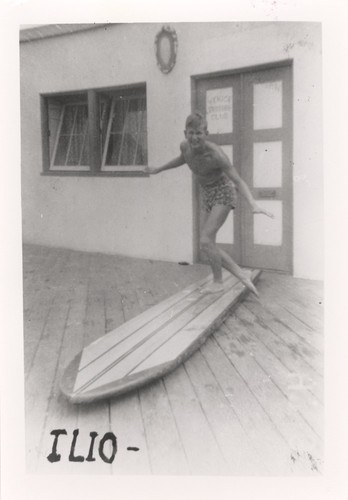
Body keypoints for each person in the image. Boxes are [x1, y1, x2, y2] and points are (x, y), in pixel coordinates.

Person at [145, 111, 273, 296]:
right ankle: (234, 276)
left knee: (205, 240)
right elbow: (182, 160)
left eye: (199, 133)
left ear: (206, 134)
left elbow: (237, 181)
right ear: (185, 133)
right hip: (207, 193)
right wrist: (158, 169)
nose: (195, 137)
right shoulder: (185, 147)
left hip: (223, 191)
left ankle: (224, 280)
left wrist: (253, 204)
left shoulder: (216, 155)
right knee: (206, 242)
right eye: (191, 133)